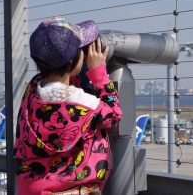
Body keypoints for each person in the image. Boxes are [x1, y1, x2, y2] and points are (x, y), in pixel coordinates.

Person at [14, 17, 122, 195]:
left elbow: (58, 90)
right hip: (71, 190)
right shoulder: (84, 103)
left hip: (31, 188)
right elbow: (114, 114)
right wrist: (98, 73)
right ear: (73, 60)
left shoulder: (32, 91)